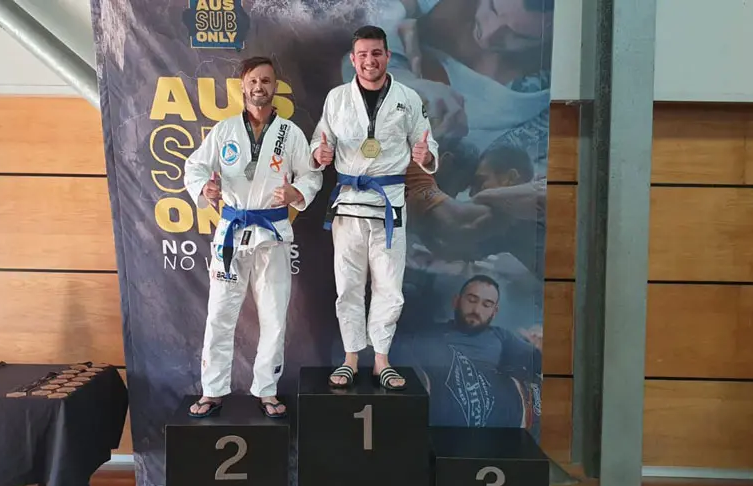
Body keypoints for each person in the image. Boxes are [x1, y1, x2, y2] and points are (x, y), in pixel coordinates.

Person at [183, 56, 323, 418]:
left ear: (275, 87)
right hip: (232, 233)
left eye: (266, 81)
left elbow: (311, 175)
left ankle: (267, 389)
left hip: (273, 234)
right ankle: (212, 390)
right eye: (253, 81)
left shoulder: (290, 134)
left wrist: (297, 193)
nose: (259, 87)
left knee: (275, 316)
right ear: (243, 86)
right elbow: (195, 166)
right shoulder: (225, 130)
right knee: (219, 314)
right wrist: (205, 189)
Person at [312, 25, 440, 390]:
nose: (370, 60)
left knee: (389, 287)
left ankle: (381, 358)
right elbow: (320, 140)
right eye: (363, 54)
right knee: (348, 286)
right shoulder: (336, 99)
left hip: (389, 207)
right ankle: (351, 357)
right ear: (353, 59)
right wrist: (318, 154)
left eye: (377, 53)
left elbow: (429, 146)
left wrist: (426, 155)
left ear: (387, 56)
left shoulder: (408, 98)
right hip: (349, 205)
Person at [391, 274, 541, 428]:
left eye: (487, 304)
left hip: (510, 414)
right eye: (471, 300)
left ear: (494, 312)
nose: (476, 310)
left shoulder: (500, 337)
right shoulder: (429, 335)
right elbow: (394, 351)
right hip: (442, 419)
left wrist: (540, 347)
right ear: (456, 301)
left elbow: (538, 362)